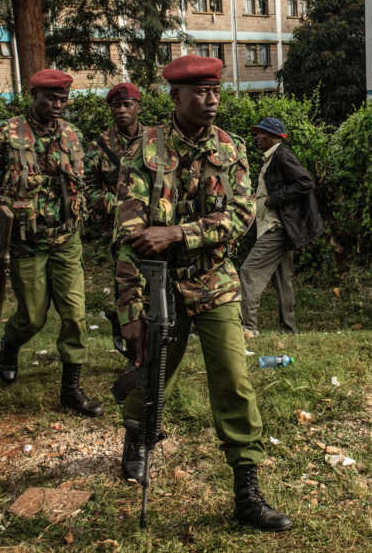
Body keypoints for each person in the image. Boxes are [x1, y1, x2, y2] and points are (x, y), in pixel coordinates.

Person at [113, 54, 293, 532]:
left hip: (214, 282)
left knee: (233, 381)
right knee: (154, 377)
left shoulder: (231, 148)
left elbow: (240, 216)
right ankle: (138, 435)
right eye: (200, 92)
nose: (211, 100)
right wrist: (129, 308)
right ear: (176, 97)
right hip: (158, 286)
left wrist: (177, 234)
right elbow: (126, 232)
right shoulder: (144, 148)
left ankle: (247, 490)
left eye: (215, 91)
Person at [0, 68, 103, 418]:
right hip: (24, 241)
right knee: (32, 317)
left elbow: (83, 184)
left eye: (63, 99)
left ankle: (71, 388)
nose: (57, 105)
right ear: (33, 96)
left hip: (65, 238)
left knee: (75, 316)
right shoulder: (4, 135)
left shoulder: (73, 136)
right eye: (51, 98)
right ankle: (10, 345)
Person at [239, 117, 323, 338]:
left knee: (249, 271)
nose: (257, 137)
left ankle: (248, 327)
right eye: (257, 133)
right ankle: (288, 329)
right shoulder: (271, 158)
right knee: (281, 278)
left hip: (276, 228)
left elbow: (305, 182)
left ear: (276, 136)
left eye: (262, 133)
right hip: (273, 226)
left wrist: (273, 200)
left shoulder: (282, 156)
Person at [84, 82, 143, 234]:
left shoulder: (155, 141)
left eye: (127, 104)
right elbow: (87, 187)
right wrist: (120, 205)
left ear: (139, 108)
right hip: (113, 228)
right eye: (116, 106)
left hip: (151, 226)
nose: (121, 110)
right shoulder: (99, 146)